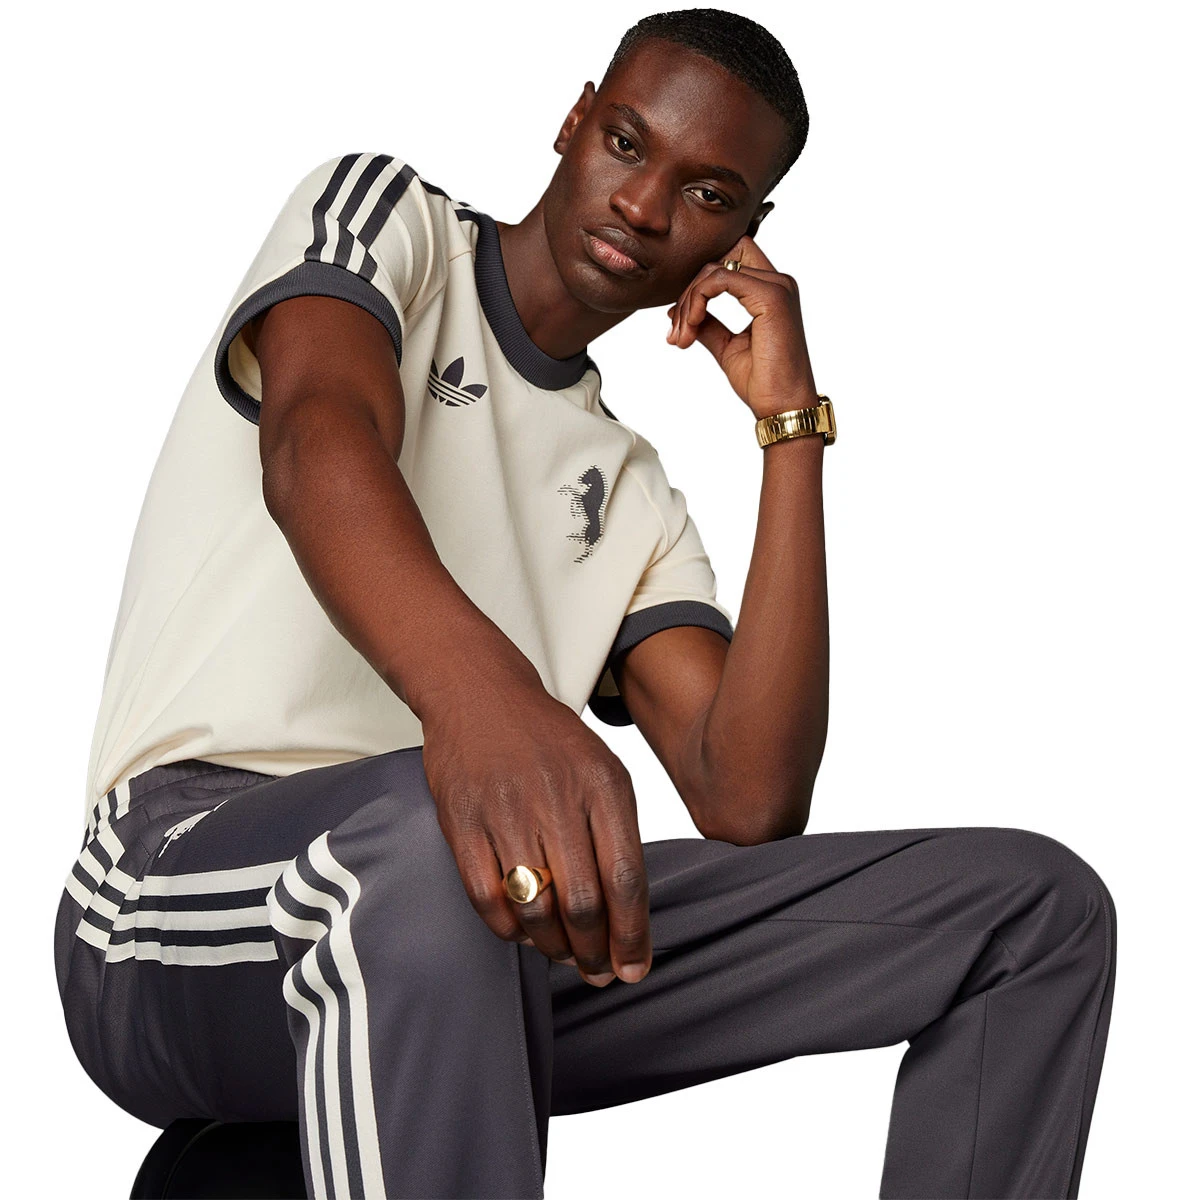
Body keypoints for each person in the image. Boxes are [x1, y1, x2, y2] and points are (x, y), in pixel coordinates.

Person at [53, 8, 1116, 1199]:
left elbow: (749, 794)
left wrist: (791, 432)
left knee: (1031, 913)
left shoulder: (630, 490)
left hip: (485, 900)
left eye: (707, 194)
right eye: (626, 143)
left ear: (744, 237)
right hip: (175, 886)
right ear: (574, 122)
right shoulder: (390, 222)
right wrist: (488, 708)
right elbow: (316, 443)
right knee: (431, 841)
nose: (646, 205)